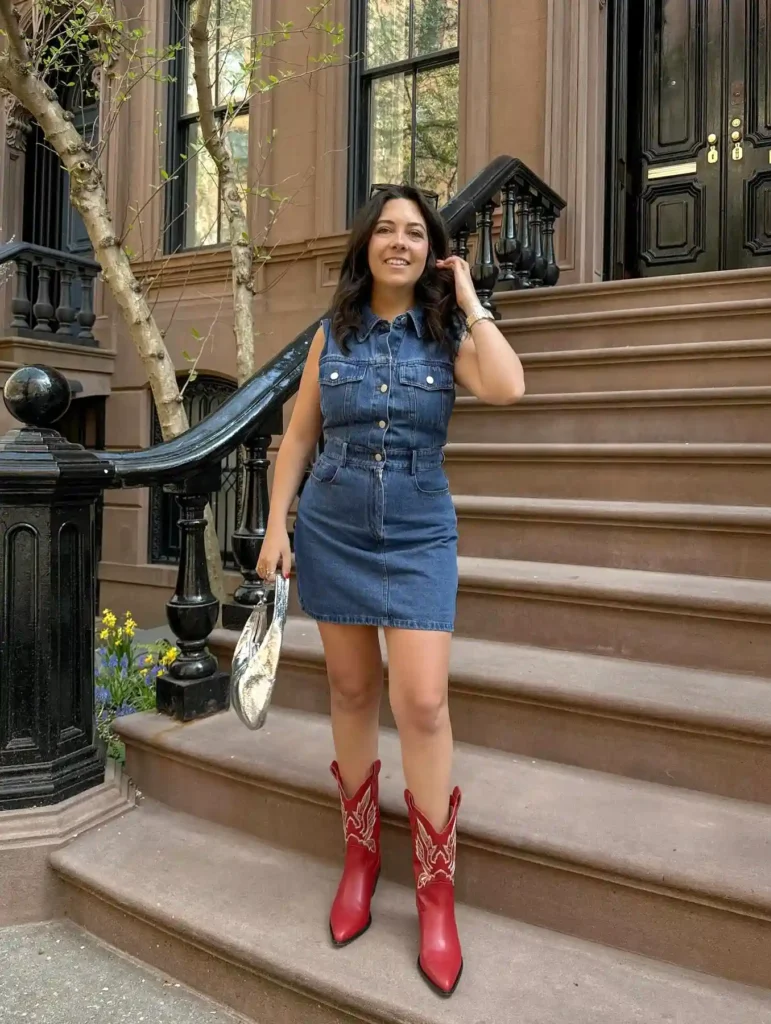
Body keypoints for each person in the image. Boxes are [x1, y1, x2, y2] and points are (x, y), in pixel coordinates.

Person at [256, 184, 525, 996]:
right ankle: (360, 856)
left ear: (431, 248)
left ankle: (435, 892)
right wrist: (276, 528)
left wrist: (470, 293)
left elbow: (509, 386)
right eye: (386, 230)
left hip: (417, 534)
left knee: (423, 703)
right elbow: (298, 436)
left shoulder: (448, 336)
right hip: (332, 525)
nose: (399, 242)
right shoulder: (327, 336)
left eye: (414, 232)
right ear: (365, 245)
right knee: (347, 691)